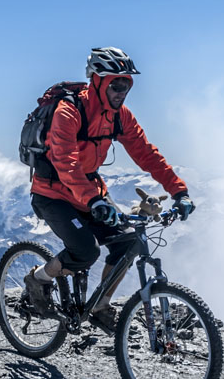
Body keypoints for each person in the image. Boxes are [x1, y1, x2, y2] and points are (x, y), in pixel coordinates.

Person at [24, 47, 196, 332]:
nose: (122, 90)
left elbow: (146, 154)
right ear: (97, 81)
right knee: (85, 252)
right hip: (52, 193)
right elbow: (65, 163)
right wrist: (93, 200)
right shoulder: (69, 112)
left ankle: (101, 305)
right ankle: (39, 278)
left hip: (89, 193)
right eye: (116, 84)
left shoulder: (120, 116)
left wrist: (179, 191)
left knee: (128, 242)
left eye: (127, 84)